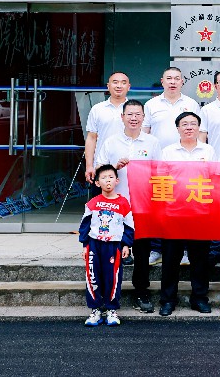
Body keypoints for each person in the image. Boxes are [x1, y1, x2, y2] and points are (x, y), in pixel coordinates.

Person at [98, 99, 160, 312]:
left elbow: (160, 173)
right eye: (130, 114)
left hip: (143, 205)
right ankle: (108, 293)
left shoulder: (152, 142)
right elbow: (100, 171)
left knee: (142, 253)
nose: (134, 118)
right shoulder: (111, 142)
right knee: (112, 251)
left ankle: (141, 292)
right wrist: (114, 168)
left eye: (137, 114)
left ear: (143, 117)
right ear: (122, 117)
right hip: (115, 205)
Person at [157, 111, 216, 316]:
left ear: (199, 128)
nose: (189, 127)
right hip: (174, 213)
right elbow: (161, 180)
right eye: (184, 124)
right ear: (178, 129)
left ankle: (199, 298)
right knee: (170, 259)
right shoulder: (168, 152)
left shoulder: (208, 151)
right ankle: (167, 300)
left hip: (200, 213)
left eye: (193, 124)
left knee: (199, 259)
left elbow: (214, 179)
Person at [79, 164, 134, 327]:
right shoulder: (92, 203)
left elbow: (129, 225)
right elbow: (84, 225)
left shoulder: (123, 203)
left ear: (117, 180)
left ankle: (111, 309)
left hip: (113, 245)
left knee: (113, 278)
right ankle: (95, 310)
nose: (107, 180)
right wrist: (85, 245)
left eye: (111, 177)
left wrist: (126, 245)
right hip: (94, 245)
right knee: (93, 277)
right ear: (97, 183)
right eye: (103, 178)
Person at [84, 71, 131, 183]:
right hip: (102, 166)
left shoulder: (134, 109)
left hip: (129, 166)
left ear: (128, 87)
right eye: (115, 82)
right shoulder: (97, 109)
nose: (119, 86)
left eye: (123, 83)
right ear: (108, 86)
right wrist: (89, 166)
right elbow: (91, 138)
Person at [143, 67, 199, 149]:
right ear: (162, 81)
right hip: (158, 153)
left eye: (177, 79)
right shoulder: (150, 104)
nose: (173, 82)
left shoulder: (192, 104)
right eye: (169, 78)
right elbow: (144, 132)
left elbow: (198, 133)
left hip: (185, 154)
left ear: (182, 82)